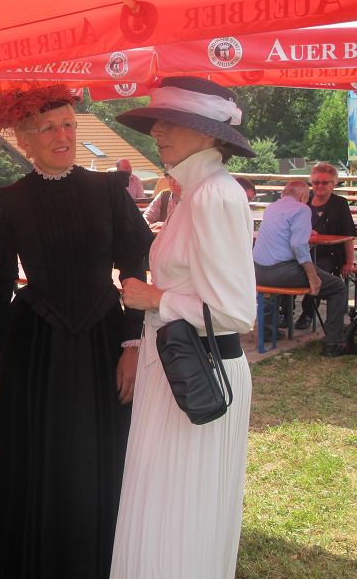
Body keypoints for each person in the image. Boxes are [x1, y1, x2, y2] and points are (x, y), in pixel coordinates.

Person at [0, 84, 153, 578]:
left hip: (103, 342)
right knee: (41, 456)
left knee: (97, 454)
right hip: (35, 347)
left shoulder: (108, 191)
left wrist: (132, 344)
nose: (63, 136)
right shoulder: (7, 202)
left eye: (69, 125)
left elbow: (134, 268)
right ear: (24, 139)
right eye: (48, 128)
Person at [110, 76, 257, 579]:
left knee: (180, 514)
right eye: (158, 121)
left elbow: (236, 312)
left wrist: (155, 298)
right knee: (164, 507)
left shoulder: (215, 196)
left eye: (172, 121)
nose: (158, 130)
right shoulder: (194, 193)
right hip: (173, 368)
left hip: (197, 373)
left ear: (210, 133)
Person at [253, 181, 347, 356]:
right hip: (281, 271)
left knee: (273, 287)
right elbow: (298, 245)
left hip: (257, 272)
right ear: (304, 196)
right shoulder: (302, 209)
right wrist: (312, 276)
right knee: (338, 286)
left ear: (283, 193)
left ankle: (267, 331)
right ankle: (333, 343)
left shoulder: (271, 208)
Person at [296, 161, 356, 330]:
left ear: (333, 183)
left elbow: (348, 235)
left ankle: (307, 312)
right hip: (303, 251)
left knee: (317, 271)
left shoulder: (340, 204)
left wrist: (349, 262)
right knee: (287, 267)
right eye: (316, 182)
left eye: (325, 182)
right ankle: (285, 312)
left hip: (331, 254)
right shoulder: (304, 200)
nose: (320, 186)